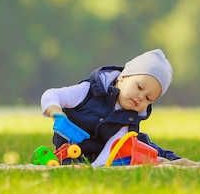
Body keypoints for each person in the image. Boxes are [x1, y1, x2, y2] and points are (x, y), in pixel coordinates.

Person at [40, 48, 180, 165]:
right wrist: (55, 111)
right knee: (144, 150)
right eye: (139, 87)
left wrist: (93, 168)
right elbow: (52, 94)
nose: (140, 97)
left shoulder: (128, 122)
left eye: (148, 98)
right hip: (71, 151)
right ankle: (166, 160)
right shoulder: (89, 91)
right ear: (123, 77)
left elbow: (110, 153)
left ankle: (178, 161)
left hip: (104, 153)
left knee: (147, 147)